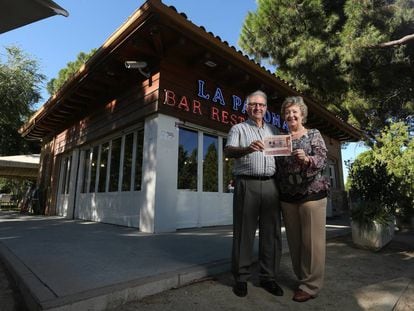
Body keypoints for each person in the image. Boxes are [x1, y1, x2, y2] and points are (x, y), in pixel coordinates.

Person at [224, 90, 283, 298]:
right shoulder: (238, 128)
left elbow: (281, 159)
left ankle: (268, 278)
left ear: (266, 108)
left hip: (271, 186)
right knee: (244, 232)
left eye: (261, 105)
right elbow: (228, 151)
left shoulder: (274, 130)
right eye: (253, 104)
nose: (257, 108)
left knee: (272, 233)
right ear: (247, 107)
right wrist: (247, 149)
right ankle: (241, 278)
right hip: (246, 184)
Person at [277, 96, 330, 302]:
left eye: (294, 112)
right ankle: (302, 279)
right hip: (288, 195)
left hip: (311, 193)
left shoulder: (313, 134)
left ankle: (310, 285)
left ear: (302, 115)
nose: (291, 115)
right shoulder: (281, 139)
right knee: (296, 242)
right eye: (287, 113)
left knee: (312, 243)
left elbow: (322, 159)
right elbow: (278, 168)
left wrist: (307, 159)